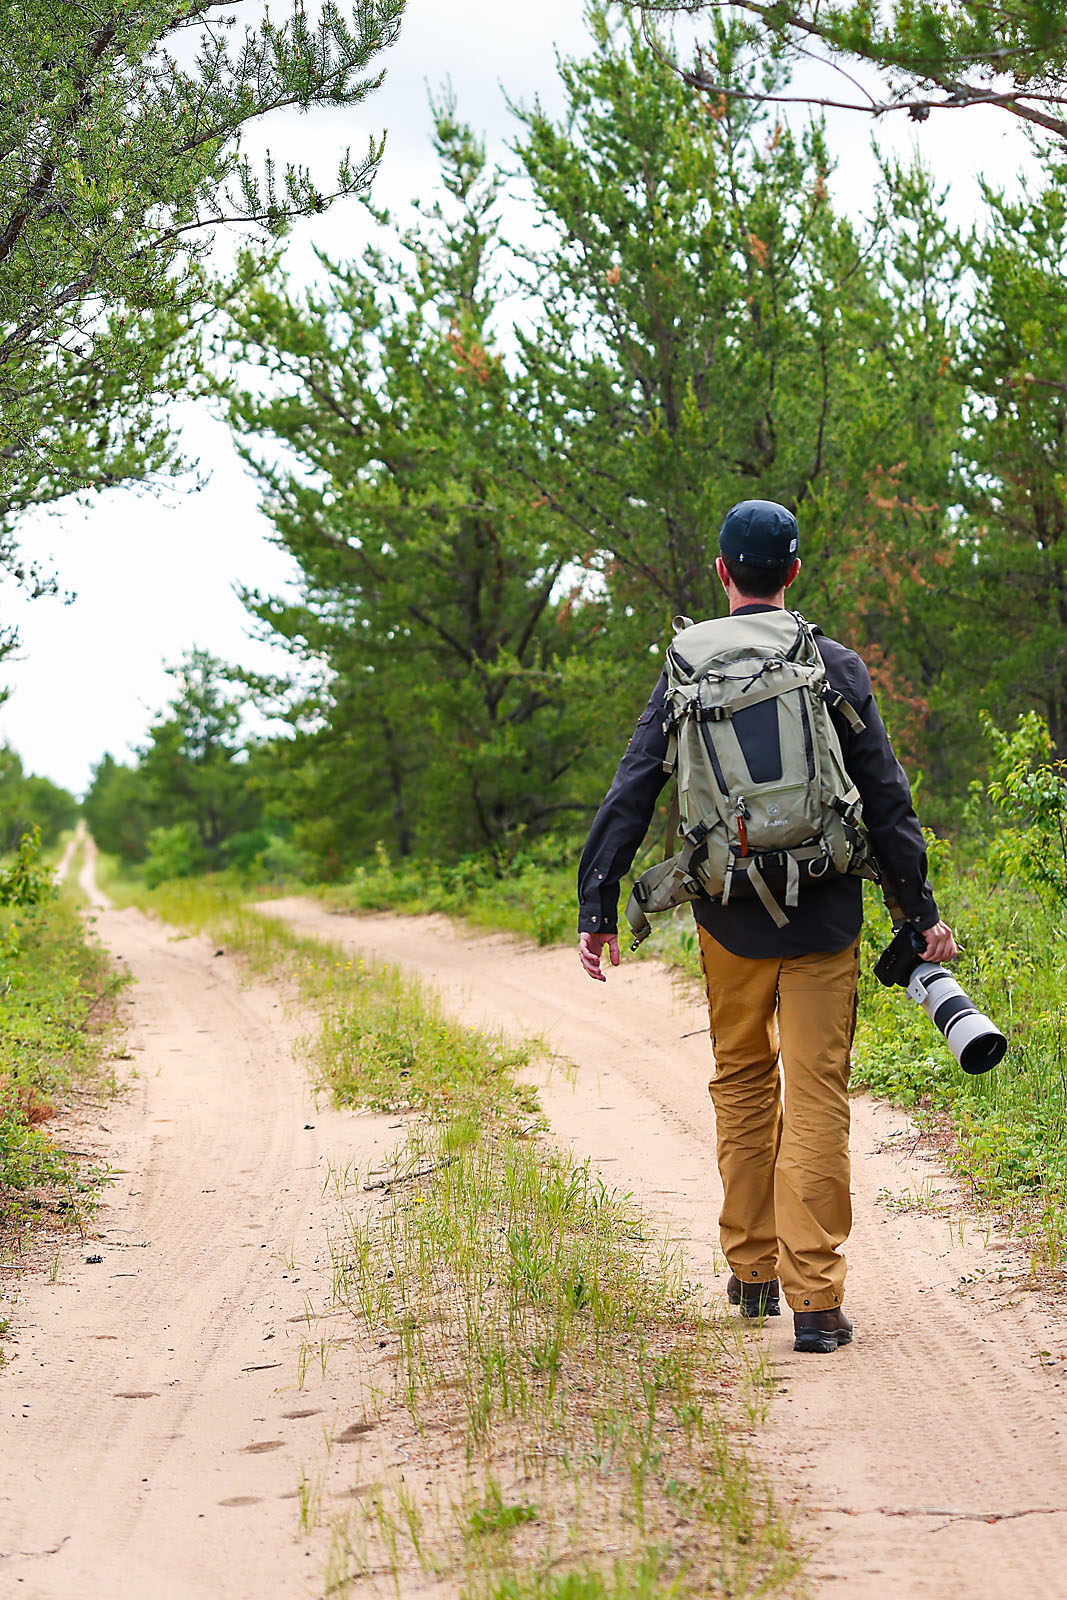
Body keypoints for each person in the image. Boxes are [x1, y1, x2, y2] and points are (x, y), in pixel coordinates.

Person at [576, 499, 957, 1354]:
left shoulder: (683, 667)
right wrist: (917, 912)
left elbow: (633, 785)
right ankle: (815, 1303)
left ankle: (751, 1275)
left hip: (728, 920)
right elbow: (886, 799)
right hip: (824, 912)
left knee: (743, 1083)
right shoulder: (832, 664)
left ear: (722, 573)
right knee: (816, 1093)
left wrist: (598, 904)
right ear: (792, 571)